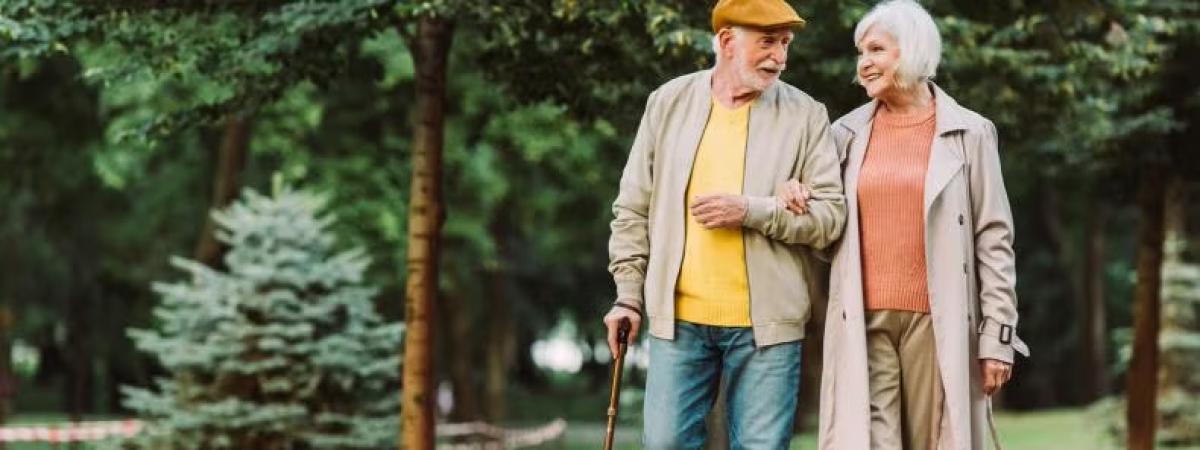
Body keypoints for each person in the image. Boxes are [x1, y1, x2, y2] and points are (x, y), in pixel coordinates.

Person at [778, 1, 1030, 448]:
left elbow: (994, 239)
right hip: (862, 318)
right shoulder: (842, 134)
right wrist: (797, 196)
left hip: (938, 322)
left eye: (876, 49)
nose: (864, 63)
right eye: (860, 52)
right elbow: (824, 227)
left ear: (911, 51)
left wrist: (997, 337)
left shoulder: (971, 133)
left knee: (932, 439)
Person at [601, 0, 846, 448]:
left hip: (769, 330)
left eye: (786, 43)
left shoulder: (807, 114)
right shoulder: (668, 102)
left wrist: (753, 211)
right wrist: (628, 298)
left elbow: (830, 218)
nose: (781, 57)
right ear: (728, 41)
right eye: (768, 42)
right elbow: (633, 209)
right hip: (678, 323)